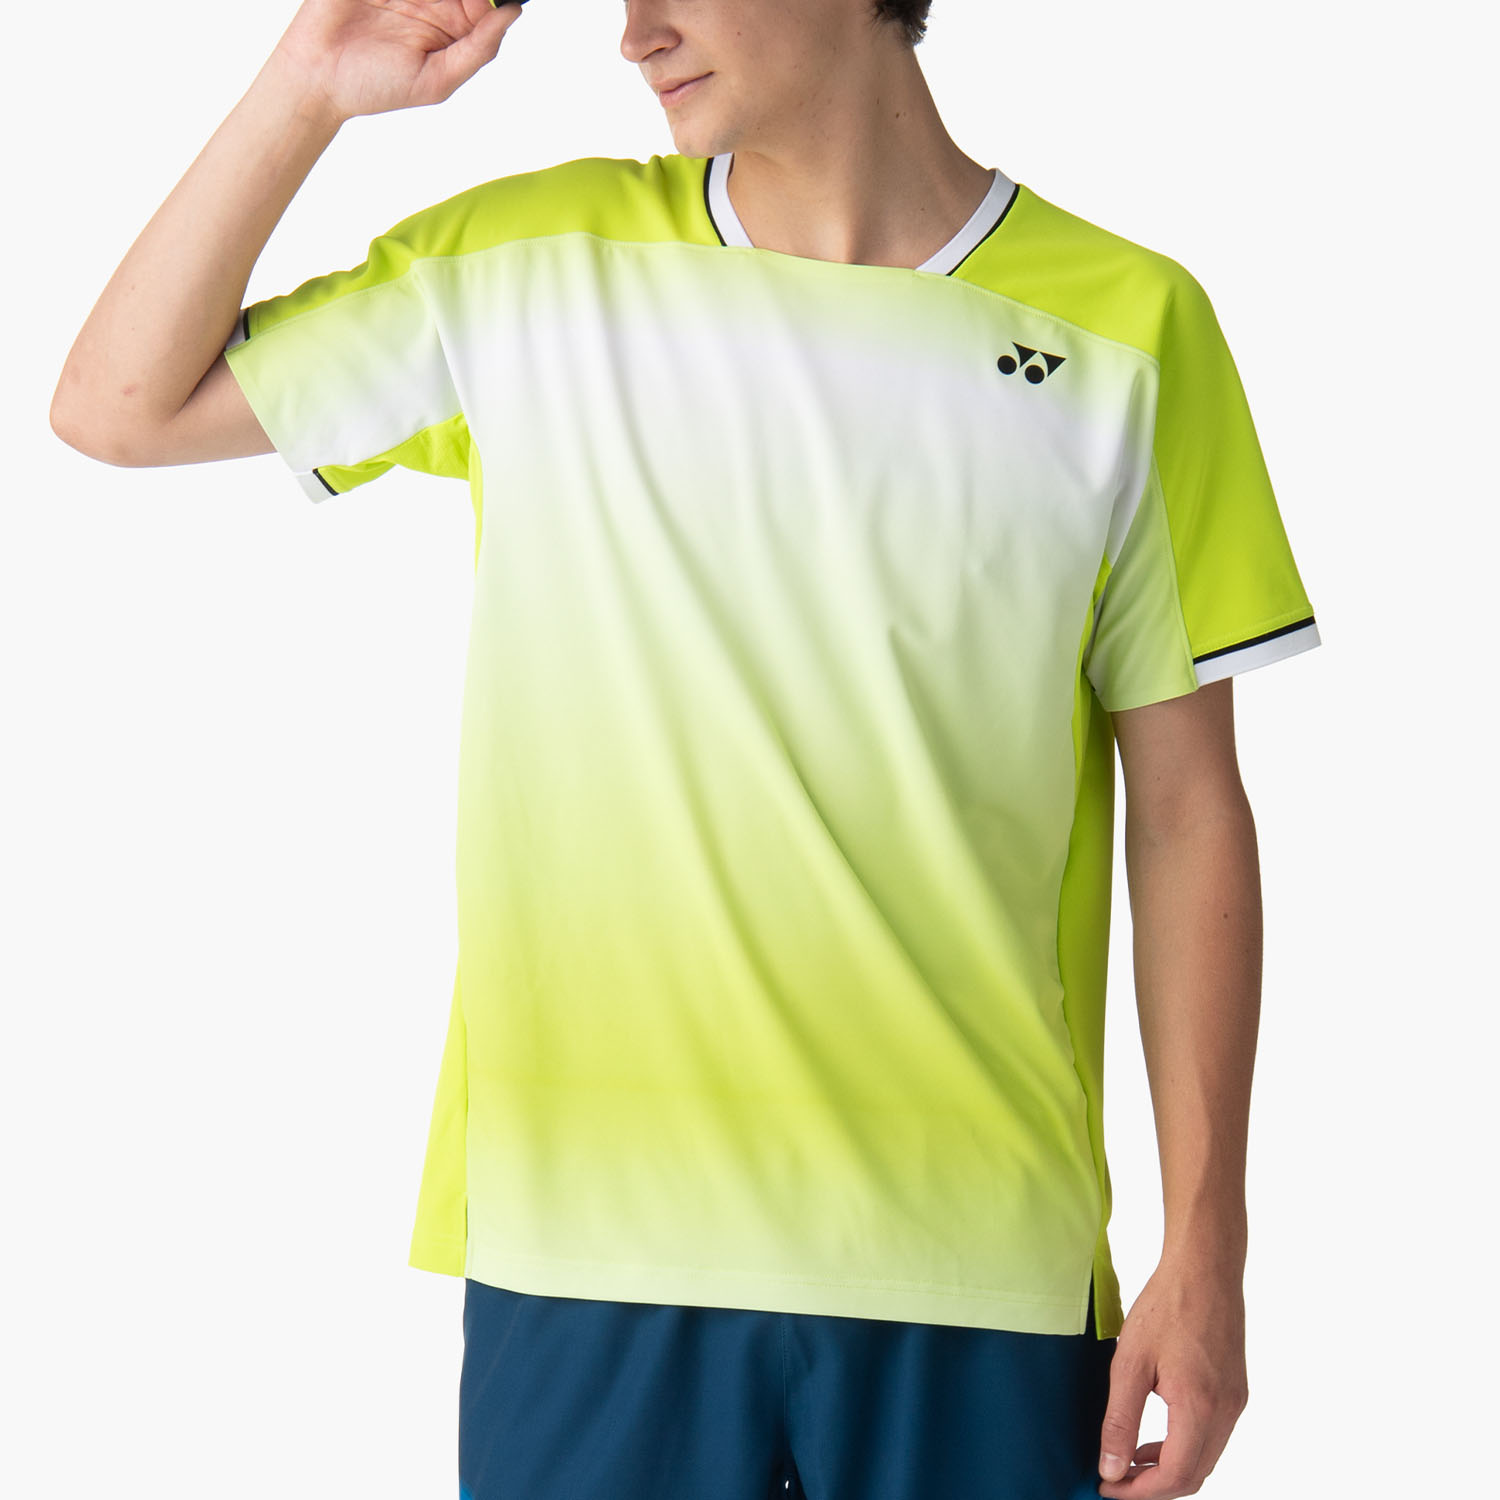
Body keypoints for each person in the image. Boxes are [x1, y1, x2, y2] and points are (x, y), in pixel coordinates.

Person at [50, 1, 1321, 1497]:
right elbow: (117, 407)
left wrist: (1209, 1247)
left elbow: (1187, 810)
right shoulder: (529, 268)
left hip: (976, 1260)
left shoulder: (1128, 328)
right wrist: (308, 85)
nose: (637, 34)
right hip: (586, 1249)